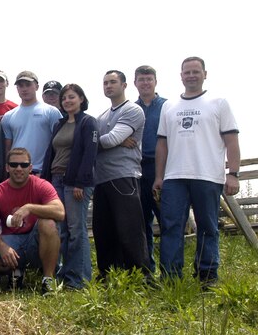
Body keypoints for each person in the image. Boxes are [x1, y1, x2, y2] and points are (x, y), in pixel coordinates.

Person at [154, 56, 240, 285]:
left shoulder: (218, 102)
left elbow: (231, 140)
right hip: (174, 177)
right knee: (171, 226)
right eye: (187, 72)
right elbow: (162, 144)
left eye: (195, 71)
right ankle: (171, 276)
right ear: (180, 75)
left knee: (208, 226)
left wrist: (233, 173)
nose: (191, 76)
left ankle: (207, 274)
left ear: (205, 74)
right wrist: (159, 176)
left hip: (207, 175)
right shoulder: (169, 106)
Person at [0, 148, 64, 294]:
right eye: (14, 164)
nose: (19, 168)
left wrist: (30, 208)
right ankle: (15, 272)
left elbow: (60, 212)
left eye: (24, 165)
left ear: (30, 168)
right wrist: (2, 246)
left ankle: (48, 280)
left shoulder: (42, 185)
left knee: (48, 223)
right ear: (7, 167)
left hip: (34, 241)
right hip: (10, 240)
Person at [41, 84, 98, 289]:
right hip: (56, 180)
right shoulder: (60, 123)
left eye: (72, 97)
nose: (67, 101)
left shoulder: (88, 122)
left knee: (77, 230)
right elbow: (52, 153)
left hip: (75, 182)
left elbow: (89, 154)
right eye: (64, 98)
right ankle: (65, 274)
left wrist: (80, 182)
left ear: (81, 99)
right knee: (62, 230)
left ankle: (79, 279)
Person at [93, 70, 149, 279]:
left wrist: (100, 142)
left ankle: (140, 276)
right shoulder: (102, 116)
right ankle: (108, 275)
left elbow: (111, 139)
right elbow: (106, 140)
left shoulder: (133, 110)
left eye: (113, 82)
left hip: (123, 176)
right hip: (102, 177)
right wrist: (106, 141)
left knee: (130, 229)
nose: (108, 86)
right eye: (105, 82)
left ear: (124, 85)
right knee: (103, 230)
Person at [134, 65, 167, 274]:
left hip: (162, 168)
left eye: (149, 79)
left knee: (167, 220)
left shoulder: (167, 107)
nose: (145, 83)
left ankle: (169, 271)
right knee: (142, 223)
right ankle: (147, 271)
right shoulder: (130, 109)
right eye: (141, 79)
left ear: (156, 81)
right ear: (135, 83)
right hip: (138, 169)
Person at [1, 71, 62, 175]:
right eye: (21, 86)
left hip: (42, 171)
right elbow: (7, 148)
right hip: (17, 172)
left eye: (28, 85)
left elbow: (59, 144)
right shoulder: (8, 116)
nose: (24, 89)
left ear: (37, 87)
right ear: (17, 89)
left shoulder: (51, 112)